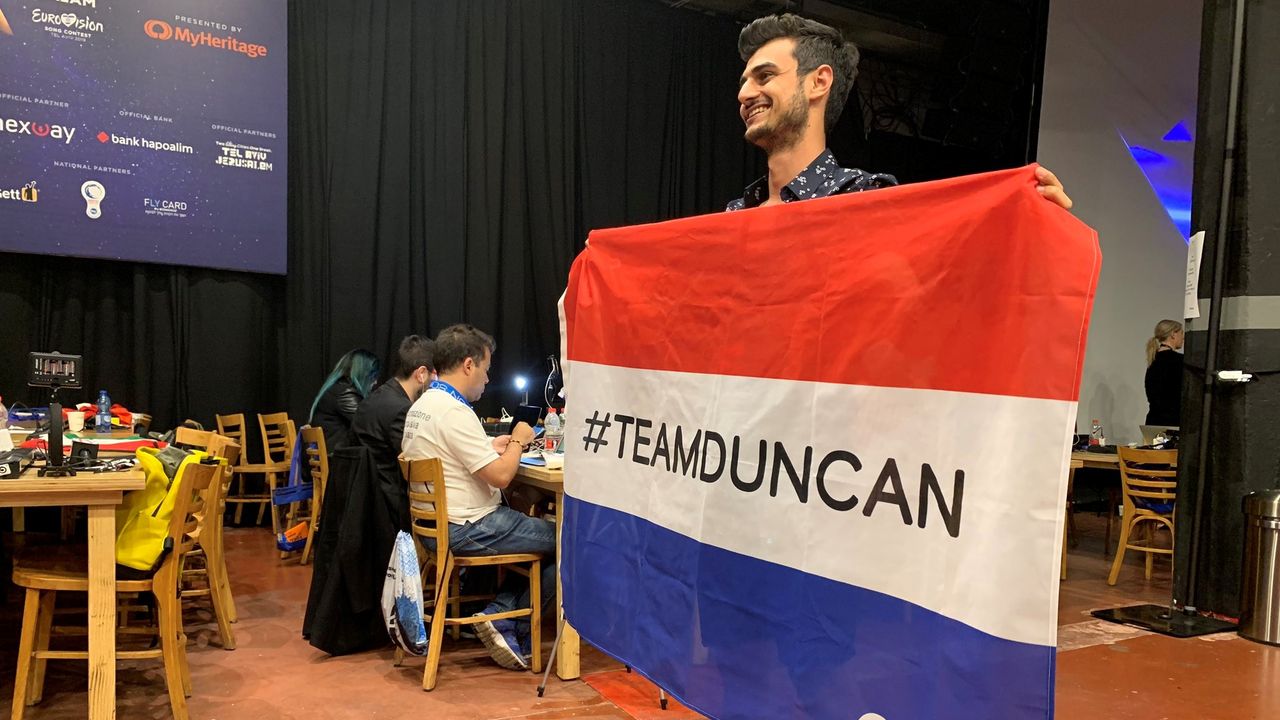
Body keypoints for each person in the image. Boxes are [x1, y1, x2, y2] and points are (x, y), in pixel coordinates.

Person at [729, 13, 1073, 211]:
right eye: (744, 82)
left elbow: (943, 282)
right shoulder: (735, 213)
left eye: (765, 76)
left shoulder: (867, 201)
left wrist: (1033, 223)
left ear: (819, 82)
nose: (744, 94)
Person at [400, 324, 551, 671]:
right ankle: (504, 618)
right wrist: (518, 439)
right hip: (468, 527)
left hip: (435, 528)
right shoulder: (454, 411)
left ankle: (501, 616)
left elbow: (449, 451)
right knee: (567, 540)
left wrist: (488, 445)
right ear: (469, 365)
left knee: (537, 528)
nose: (487, 378)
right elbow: (501, 476)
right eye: (485, 368)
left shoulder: (425, 404)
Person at [309, 349, 380, 452]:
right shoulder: (345, 393)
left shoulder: (335, 388)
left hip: (331, 454)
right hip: (338, 457)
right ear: (363, 375)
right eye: (373, 376)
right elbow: (369, 428)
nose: (376, 382)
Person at [1144, 319, 1184, 426]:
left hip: (1153, 421)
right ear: (1173, 334)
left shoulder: (1152, 361)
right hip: (1173, 423)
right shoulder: (1180, 361)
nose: (1183, 337)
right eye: (1181, 333)